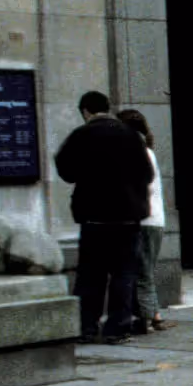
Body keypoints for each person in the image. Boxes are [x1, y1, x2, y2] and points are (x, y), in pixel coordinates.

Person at [54, 90, 152, 344]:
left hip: (94, 219)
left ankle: (86, 327)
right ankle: (117, 328)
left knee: (90, 276)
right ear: (108, 108)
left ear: (86, 111)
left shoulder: (81, 134)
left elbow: (66, 170)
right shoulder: (130, 135)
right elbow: (148, 173)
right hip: (127, 219)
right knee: (124, 274)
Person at [117, 109, 172, 333]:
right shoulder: (147, 151)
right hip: (154, 219)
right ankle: (152, 315)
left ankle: (150, 317)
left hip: (145, 219)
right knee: (144, 270)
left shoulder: (138, 152)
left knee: (142, 272)